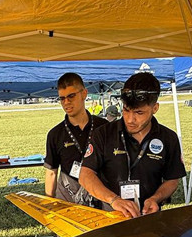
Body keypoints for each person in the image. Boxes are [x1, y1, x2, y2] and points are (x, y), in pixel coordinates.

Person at [79, 72, 185, 218]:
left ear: (155, 108)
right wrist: (114, 200)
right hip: (109, 218)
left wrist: (155, 199)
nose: (130, 119)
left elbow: (172, 179)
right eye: (126, 110)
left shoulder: (168, 138)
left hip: (149, 219)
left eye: (139, 113)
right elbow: (85, 175)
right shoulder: (103, 134)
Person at [44, 73, 107, 204]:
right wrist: (49, 206)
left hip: (101, 194)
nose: (66, 102)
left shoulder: (104, 127)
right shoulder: (55, 134)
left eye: (71, 96)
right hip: (68, 196)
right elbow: (51, 173)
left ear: (84, 94)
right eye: (62, 98)